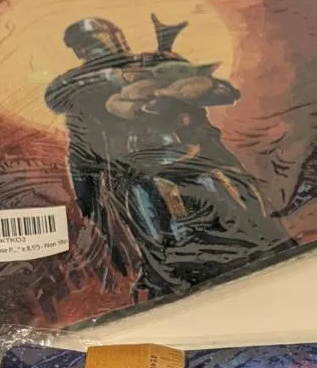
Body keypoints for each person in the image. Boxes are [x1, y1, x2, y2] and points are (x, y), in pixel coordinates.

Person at [45, 15, 290, 296]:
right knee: (159, 246)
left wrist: (190, 87)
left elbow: (221, 91)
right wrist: (87, 199)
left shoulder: (157, 63)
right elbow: (74, 133)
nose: (91, 49)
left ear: (116, 36)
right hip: (135, 175)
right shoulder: (77, 89)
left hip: (197, 161)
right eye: (82, 45)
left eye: (96, 39)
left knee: (247, 220)